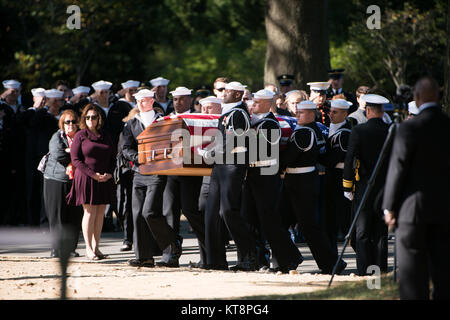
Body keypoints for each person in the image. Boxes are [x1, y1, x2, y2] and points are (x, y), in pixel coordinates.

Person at [383, 76, 450, 300]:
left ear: (417, 98)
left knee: (413, 278)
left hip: (413, 210)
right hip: (445, 210)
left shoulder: (409, 128)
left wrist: (389, 206)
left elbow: (397, 169)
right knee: (444, 274)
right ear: (439, 97)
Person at [280, 100, 347, 275]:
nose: (297, 116)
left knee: (309, 226)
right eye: (297, 112)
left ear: (311, 114)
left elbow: (288, 157)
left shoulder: (304, 132)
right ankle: (289, 258)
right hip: (303, 180)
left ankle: (332, 263)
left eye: (301, 113)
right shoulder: (316, 130)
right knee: (280, 221)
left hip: (301, 181)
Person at [242, 89, 304, 273]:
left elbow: (263, 150)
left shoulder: (270, 124)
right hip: (253, 175)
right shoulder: (255, 122)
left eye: (258, 102)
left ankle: (290, 258)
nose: (253, 105)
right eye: (253, 102)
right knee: (251, 220)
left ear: (268, 103)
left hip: (266, 176)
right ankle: (258, 260)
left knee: (269, 220)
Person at [199, 81, 257, 271]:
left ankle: (249, 256)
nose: (224, 93)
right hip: (221, 165)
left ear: (238, 95)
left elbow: (233, 141)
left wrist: (210, 153)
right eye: (224, 90)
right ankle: (214, 259)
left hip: (233, 164)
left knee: (228, 211)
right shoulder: (229, 111)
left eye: (229, 91)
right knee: (211, 212)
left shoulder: (238, 113)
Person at [121, 89, 181, 267]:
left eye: (145, 100)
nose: (141, 103)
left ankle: (172, 244)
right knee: (137, 215)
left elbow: (174, 143)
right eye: (138, 100)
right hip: (139, 173)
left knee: (149, 212)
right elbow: (125, 148)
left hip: (158, 173)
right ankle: (144, 256)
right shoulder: (132, 123)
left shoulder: (163, 121)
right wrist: (138, 158)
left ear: (152, 101)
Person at [343, 94, 390, 276]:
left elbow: (350, 160)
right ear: (382, 111)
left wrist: (347, 186)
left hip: (364, 186)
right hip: (385, 186)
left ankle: (365, 271)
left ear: (368, 110)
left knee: (362, 232)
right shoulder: (390, 130)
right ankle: (379, 271)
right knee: (380, 231)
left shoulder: (359, 131)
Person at [159, 87, 206, 267]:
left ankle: (208, 250)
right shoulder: (165, 119)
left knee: (190, 211)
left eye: (182, 99)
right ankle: (170, 254)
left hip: (191, 173)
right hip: (171, 173)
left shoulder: (198, 118)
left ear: (189, 99)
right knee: (169, 213)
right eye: (175, 99)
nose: (178, 102)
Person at [66, 104, 116, 260]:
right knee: (89, 212)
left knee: (100, 213)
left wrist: (109, 173)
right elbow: (75, 160)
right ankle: (88, 248)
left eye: (93, 117)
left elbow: (113, 157)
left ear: (99, 118)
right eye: (87, 117)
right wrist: (93, 175)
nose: (90, 120)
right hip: (86, 178)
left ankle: (96, 247)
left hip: (104, 179)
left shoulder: (106, 135)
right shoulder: (80, 135)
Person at [43, 110, 83, 258]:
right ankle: (56, 248)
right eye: (67, 122)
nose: (71, 125)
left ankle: (70, 248)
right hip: (55, 179)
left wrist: (69, 150)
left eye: (73, 121)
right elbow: (57, 154)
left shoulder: (81, 137)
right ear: (62, 124)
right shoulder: (57, 136)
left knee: (74, 216)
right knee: (57, 216)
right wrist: (74, 154)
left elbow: (86, 152)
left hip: (76, 180)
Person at [322, 99, 353, 256]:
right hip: (332, 177)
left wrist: (316, 155)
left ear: (345, 114)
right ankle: (332, 256)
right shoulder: (333, 128)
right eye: (330, 111)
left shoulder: (345, 133)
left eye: (335, 112)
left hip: (339, 177)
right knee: (331, 221)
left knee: (343, 219)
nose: (330, 115)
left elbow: (331, 159)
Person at [115, 107, 140, 252]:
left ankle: (139, 239)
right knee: (127, 208)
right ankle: (127, 238)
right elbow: (122, 152)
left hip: (143, 172)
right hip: (128, 173)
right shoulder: (125, 132)